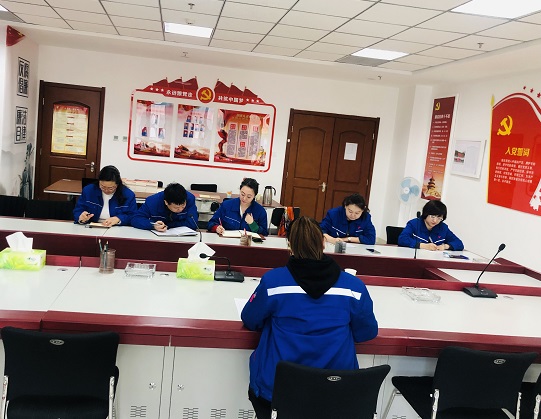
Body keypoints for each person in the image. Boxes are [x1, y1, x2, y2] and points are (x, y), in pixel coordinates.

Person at [241, 216, 378, 418]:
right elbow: (366, 332)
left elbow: (251, 319)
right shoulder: (353, 287)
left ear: (290, 246)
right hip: (337, 395)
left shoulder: (273, 282)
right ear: (323, 243)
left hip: (278, 393)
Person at [398, 200, 464, 251]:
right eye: (432, 216)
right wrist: (424, 246)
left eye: (439, 218)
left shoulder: (443, 227)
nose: (435, 220)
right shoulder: (414, 224)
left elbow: (459, 243)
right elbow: (402, 239)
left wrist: (444, 246)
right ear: (426, 213)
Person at [131, 182, 198, 232]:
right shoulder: (152, 201)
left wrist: (167, 225)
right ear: (166, 202)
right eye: (176, 208)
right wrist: (153, 225)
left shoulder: (190, 198)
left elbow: (192, 224)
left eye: (183, 206)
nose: (180, 209)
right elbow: (136, 219)